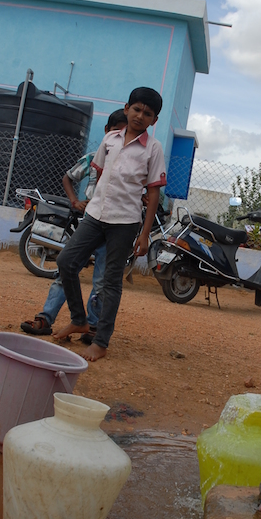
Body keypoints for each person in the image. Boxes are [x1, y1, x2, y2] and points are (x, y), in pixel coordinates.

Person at [54, 87, 166, 361]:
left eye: (147, 113)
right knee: (66, 262)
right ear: (126, 107)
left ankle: (101, 341)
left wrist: (144, 234)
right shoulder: (109, 139)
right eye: (136, 109)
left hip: (124, 222)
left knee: (111, 282)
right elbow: (100, 174)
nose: (140, 116)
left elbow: (153, 193)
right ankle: (79, 319)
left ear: (154, 120)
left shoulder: (153, 148)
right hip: (95, 215)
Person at [20, 108, 128, 343]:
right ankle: (46, 318)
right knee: (65, 270)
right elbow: (68, 177)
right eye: (116, 132)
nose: (120, 137)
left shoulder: (131, 164)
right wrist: (74, 201)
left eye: (125, 133)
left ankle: (92, 326)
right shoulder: (92, 158)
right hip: (88, 224)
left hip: (113, 228)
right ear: (107, 131)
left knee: (101, 280)